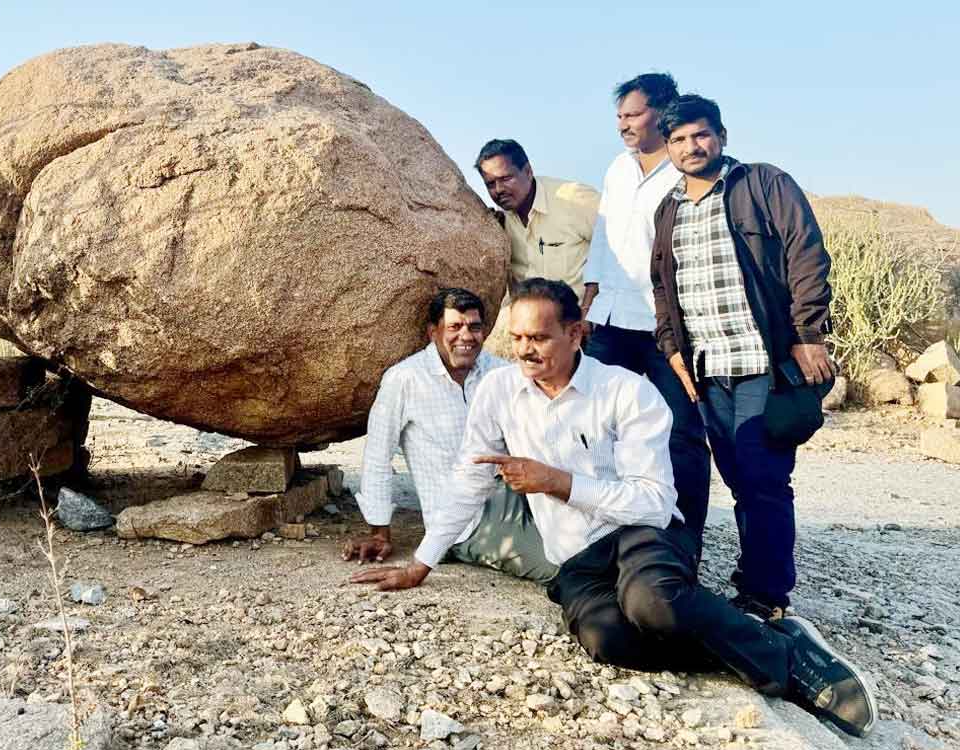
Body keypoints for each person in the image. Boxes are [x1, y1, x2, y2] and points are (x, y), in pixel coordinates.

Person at [351, 278, 876, 738]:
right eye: (515, 339)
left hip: (640, 532)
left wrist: (559, 483)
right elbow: (468, 479)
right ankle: (761, 636)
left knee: (655, 604)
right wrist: (422, 562)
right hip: (576, 555)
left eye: (538, 338)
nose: (524, 352)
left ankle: (788, 661)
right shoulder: (498, 391)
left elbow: (653, 499)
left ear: (576, 334)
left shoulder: (627, 392)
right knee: (609, 639)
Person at [651, 95, 835, 621]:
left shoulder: (762, 184)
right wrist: (674, 351)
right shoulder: (669, 210)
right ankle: (749, 579)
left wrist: (807, 333)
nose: (692, 146)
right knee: (736, 478)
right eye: (680, 139)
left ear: (722, 136)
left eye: (701, 134)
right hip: (708, 368)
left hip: (764, 361)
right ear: (668, 148)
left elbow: (807, 251)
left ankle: (766, 595)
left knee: (763, 478)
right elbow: (663, 287)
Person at [342, 287, 558, 585]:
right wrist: (380, 531)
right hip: (467, 521)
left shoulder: (501, 372)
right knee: (558, 564)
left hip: (522, 494)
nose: (466, 336)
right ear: (434, 331)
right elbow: (378, 455)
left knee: (593, 535)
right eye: (455, 327)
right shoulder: (405, 379)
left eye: (475, 327)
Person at [580, 73, 713, 546]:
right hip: (613, 320)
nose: (623, 124)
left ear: (663, 112)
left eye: (633, 114)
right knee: (594, 426)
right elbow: (604, 233)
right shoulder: (618, 168)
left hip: (666, 327)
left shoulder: (686, 171)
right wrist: (590, 292)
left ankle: (683, 542)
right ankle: (602, 535)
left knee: (680, 434)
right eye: (619, 116)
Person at [475, 139, 599, 302]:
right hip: (529, 322)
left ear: (528, 171)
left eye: (506, 179)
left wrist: (587, 312)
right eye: (490, 184)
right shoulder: (499, 221)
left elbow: (615, 253)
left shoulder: (574, 198)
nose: (498, 190)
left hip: (582, 321)